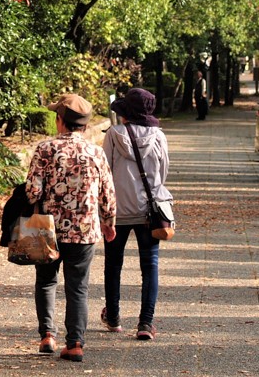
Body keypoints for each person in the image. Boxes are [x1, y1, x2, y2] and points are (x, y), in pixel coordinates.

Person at [26, 93, 116, 363]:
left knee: (46, 281)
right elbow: (108, 194)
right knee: (77, 287)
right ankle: (75, 343)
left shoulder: (45, 149)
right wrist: (109, 221)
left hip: (47, 228)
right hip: (85, 229)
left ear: (60, 121)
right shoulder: (95, 152)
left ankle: (47, 337)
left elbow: (32, 192)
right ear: (86, 126)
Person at [102, 88, 172, 342]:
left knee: (113, 263)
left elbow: (105, 172)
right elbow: (163, 172)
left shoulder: (113, 134)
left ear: (126, 113)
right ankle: (145, 323)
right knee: (150, 265)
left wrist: (104, 210)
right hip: (148, 212)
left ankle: (114, 317)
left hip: (117, 211)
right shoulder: (159, 136)